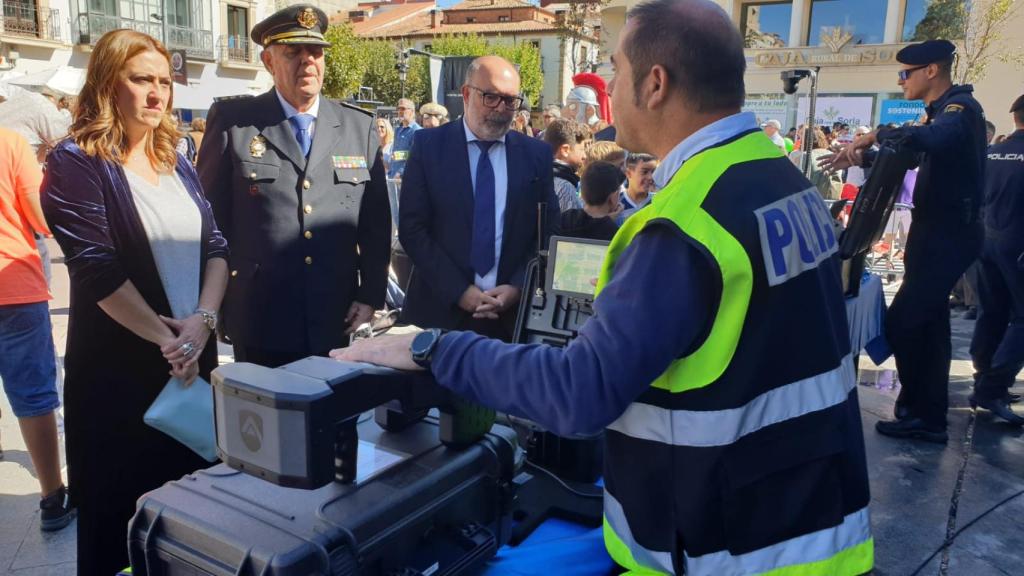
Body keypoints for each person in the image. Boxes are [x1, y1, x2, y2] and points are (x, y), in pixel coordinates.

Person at [334, 1, 873, 573]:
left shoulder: (684, 226)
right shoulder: (781, 178)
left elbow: (578, 394)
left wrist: (430, 348)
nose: (609, 84)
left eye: (616, 68)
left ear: (656, 83)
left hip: (728, 548)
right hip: (816, 525)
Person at [41, 29, 230, 575]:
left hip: (193, 365)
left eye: (164, 82)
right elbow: (96, 269)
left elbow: (217, 247)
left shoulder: (178, 159)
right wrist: (171, 340)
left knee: (191, 523)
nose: (157, 94)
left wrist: (204, 323)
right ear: (107, 83)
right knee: (121, 524)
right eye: (141, 79)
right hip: (121, 379)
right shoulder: (75, 163)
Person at [199, 5, 390, 367]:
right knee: (263, 420)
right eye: (293, 53)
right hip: (259, 314)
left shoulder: (357, 126)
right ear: (268, 61)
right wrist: (216, 304)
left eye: (315, 52)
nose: (308, 62)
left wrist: (371, 295)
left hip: (335, 314)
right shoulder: (234, 124)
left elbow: (376, 224)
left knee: (334, 419)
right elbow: (211, 224)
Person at [823, 39, 986, 443]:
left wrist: (875, 133)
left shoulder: (959, 111)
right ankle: (926, 417)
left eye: (906, 74)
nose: (901, 82)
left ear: (931, 70)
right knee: (930, 327)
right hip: (935, 233)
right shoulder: (939, 113)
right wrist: (861, 157)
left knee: (905, 321)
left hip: (949, 235)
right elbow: (910, 157)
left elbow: (928, 142)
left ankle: (921, 411)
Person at [398, 55, 559, 341]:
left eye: (510, 101)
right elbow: (413, 229)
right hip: (439, 314)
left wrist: (519, 286)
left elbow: (546, 231)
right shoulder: (429, 147)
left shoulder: (536, 155)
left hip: (510, 320)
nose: (501, 108)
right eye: (491, 97)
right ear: (466, 94)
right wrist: (459, 291)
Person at [0, 127, 74, 532]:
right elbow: (40, 217)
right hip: (12, 282)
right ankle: (52, 496)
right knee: (34, 395)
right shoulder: (9, 142)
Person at [969, 95, 1024, 425]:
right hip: (1017, 247)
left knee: (991, 313)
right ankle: (992, 388)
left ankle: (984, 376)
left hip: (987, 241)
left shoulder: (992, 153)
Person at [559, 160, 623, 241]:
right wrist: (607, 221)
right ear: (613, 197)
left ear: (582, 193)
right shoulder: (614, 234)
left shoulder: (565, 219)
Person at [544, 117, 590, 212]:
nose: (584, 156)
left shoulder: (539, 174)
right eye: (582, 149)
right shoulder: (565, 187)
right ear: (565, 150)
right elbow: (574, 225)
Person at [789, 127, 841, 199]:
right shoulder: (832, 155)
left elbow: (794, 180)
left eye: (801, 138)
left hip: (811, 199)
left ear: (805, 140)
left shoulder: (804, 156)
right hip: (832, 198)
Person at [389, 97, 420, 178]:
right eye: (398, 109)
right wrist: (390, 172)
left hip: (406, 177)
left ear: (412, 112)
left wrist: (401, 173)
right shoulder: (397, 130)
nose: (400, 111)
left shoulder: (417, 131)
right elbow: (395, 154)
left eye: (403, 108)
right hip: (393, 176)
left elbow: (414, 157)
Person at [619, 152, 657, 220]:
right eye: (644, 172)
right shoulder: (616, 204)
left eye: (653, 172)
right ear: (628, 173)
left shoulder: (658, 200)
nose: (650, 177)